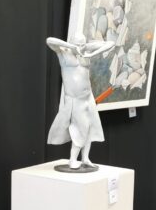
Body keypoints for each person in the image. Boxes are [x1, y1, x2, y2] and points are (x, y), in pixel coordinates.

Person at [46, 36, 114, 171]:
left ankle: (85, 158)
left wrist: (91, 52)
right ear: (72, 43)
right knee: (80, 129)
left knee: (91, 128)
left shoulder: (85, 51)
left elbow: (110, 43)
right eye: (78, 44)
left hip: (88, 97)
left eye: (82, 44)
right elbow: (49, 40)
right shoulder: (63, 52)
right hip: (74, 99)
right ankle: (72, 160)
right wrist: (72, 47)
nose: (81, 46)